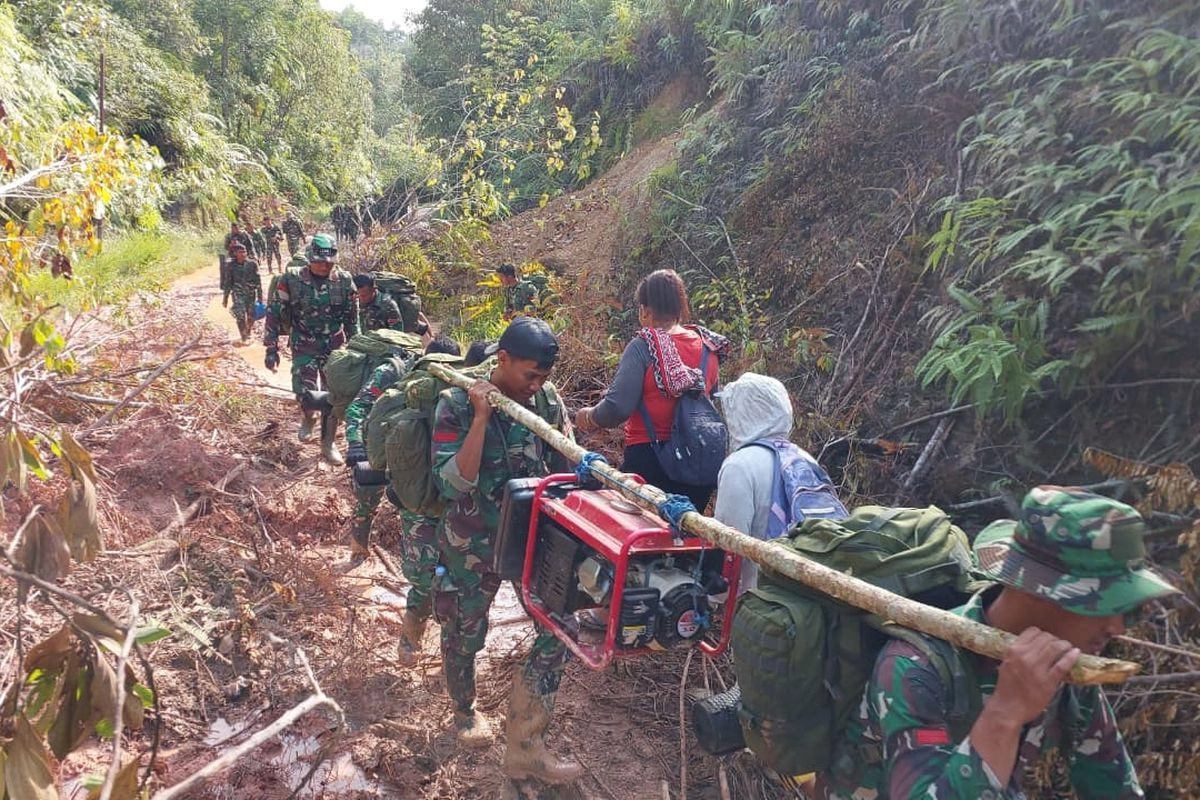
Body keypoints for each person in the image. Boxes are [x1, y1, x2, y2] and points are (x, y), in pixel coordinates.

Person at [822, 486, 1177, 800]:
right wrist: (1005, 713)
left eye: (1127, 609)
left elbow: (1113, 788)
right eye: (1106, 605)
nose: (1117, 626)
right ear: (1041, 590)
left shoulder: (1066, 666)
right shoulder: (915, 666)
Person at [431, 318, 582, 784]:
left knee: (561, 630)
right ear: (503, 360)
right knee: (464, 633)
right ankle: (463, 709)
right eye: (530, 375)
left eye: (544, 377)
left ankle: (526, 746)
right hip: (471, 544)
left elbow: (567, 462)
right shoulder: (456, 402)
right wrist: (481, 418)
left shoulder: (547, 400)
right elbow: (453, 483)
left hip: (531, 541)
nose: (536, 385)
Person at [573, 269, 728, 510]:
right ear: (680, 307)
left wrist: (589, 416)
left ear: (645, 310)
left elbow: (617, 408)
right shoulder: (709, 348)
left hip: (651, 463)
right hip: (699, 464)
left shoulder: (643, 346)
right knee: (683, 527)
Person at [343, 335, 461, 564]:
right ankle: (359, 544)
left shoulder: (458, 383)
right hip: (380, 442)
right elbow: (358, 407)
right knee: (369, 494)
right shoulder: (394, 372)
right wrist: (355, 443)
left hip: (421, 454)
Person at [263, 232, 358, 462]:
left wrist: (358, 350)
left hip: (334, 346)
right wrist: (271, 348)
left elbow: (353, 320)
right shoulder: (291, 280)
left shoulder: (344, 281)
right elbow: (274, 313)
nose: (324, 266)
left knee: (333, 395)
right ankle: (308, 416)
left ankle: (328, 444)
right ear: (310, 259)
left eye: (329, 263)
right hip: (303, 343)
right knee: (304, 391)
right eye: (319, 262)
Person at [711, 372, 794, 592]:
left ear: (743, 412)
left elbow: (728, 545)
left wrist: (714, 598)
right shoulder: (804, 460)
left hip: (758, 600)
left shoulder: (740, 465)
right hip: (802, 597)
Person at [221, 242, 263, 346]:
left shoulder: (252, 264)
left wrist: (260, 296)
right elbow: (228, 282)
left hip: (251, 293)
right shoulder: (230, 266)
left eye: (244, 252)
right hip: (238, 293)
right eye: (240, 252)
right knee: (240, 315)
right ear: (235, 253)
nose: (243, 254)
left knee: (251, 315)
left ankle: (248, 332)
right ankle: (244, 337)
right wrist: (225, 298)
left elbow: (258, 280)